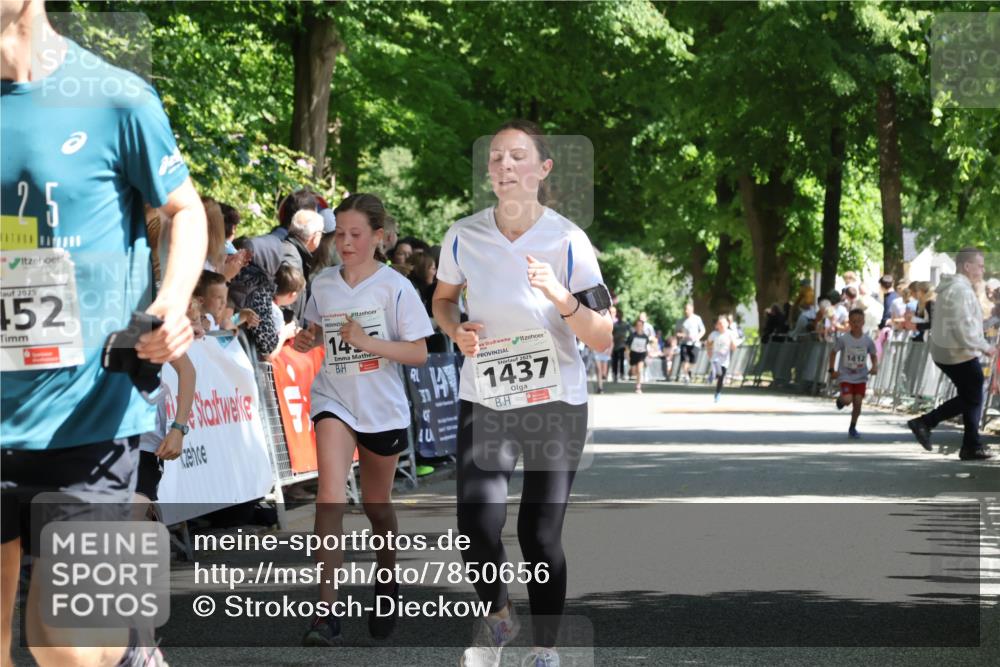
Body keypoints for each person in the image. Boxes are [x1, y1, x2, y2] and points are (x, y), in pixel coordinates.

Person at [1, 3, 207, 665]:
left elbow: (184, 208)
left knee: (67, 646)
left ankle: (131, 648)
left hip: (90, 421)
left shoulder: (115, 97)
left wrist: (172, 301)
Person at [432, 120, 612, 667]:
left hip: (555, 403)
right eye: (495, 159)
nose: (504, 167)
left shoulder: (568, 241)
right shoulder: (463, 235)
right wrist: (453, 328)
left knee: (539, 534)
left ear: (542, 170)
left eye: (517, 158)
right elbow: (443, 300)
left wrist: (560, 296)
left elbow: (603, 336)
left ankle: (544, 649)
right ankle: (500, 613)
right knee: (475, 526)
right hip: (486, 395)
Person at [293, 193, 433, 646]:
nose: (345, 243)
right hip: (335, 399)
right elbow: (318, 334)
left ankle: (387, 577)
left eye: (356, 235)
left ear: (379, 237)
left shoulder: (395, 287)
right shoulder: (325, 283)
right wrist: (308, 339)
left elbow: (418, 353)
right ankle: (326, 610)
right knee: (330, 496)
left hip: (381, 408)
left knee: (377, 506)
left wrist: (369, 342)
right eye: (340, 234)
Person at [907, 247, 997, 460]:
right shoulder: (961, 290)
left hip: (948, 349)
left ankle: (970, 444)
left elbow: (964, 323)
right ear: (967, 266)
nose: (983, 270)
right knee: (973, 395)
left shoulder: (953, 288)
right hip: (957, 351)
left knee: (972, 394)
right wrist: (984, 346)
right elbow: (961, 326)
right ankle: (926, 423)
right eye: (980, 266)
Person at [133, 352, 195, 518]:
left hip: (143, 442)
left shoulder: (152, 325)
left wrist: (179, 429)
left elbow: (186, 369)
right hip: (91, 441)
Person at [829, 309, 879, 439]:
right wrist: (832, 370)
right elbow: (833, 352)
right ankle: (841, 400)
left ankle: (853, 426)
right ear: (849, 322)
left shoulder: (867, 341)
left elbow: (873, 355)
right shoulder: (844, 339)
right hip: (845, 376)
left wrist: (874, 367)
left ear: (863, 322)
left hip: (860, 377)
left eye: (859, 321)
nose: (856, 324)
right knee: (847, 400)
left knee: (857, 402)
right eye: (854, 321)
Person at [267, 264, 305, 358]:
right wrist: (285, 332)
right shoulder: (276, 314)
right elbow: (269, 354)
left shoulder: (261, 296)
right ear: (293, 295)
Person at [707, 316, 737, 403]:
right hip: (716, 357)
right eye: (720, 323)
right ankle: (713, 374)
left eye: (724, 323)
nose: (722, 325)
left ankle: (717, 393)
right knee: (716, 366)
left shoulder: (730, 333)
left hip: (725, 359)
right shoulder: (714, 334)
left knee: (721, 377)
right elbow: (708, 343)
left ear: (727, 324)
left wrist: (734, 346)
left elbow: (734, 345)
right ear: (717, 326)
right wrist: (709, 351)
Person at [679, 303, 705, 382]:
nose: (686, 311)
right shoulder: (681, 320)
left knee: (693, 361)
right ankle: (686, 376)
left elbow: (703, 330)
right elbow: (677, 332)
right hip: (684, 343)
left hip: (695, 343)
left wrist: (697, 337)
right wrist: (682, 335)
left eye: (688, 309)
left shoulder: (697, 319)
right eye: (685, 309)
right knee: (685, 360)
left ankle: (688, 371)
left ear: (692, 310)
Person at [627, 318, 650, 394]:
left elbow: (646, 347)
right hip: (633, 354)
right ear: (635, 326)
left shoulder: (645, 337)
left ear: (643, 327)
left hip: (641, 355)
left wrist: (647, 355)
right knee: (634, 371)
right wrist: (627, 356)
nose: (639, 327)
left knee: (640, 370)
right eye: (637, 325)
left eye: (640, 325)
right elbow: (627, 347)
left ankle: (638, 387)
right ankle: (631, 371)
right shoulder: (632, 336)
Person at [610, 306, 630, 382]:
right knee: (615, 360)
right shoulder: (615, 325)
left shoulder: (625, 324)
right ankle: (615, 374)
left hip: (622, 345)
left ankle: (621, 374)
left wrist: (627, 341)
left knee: (621, 360)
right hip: (615, 345)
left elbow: (631, 332)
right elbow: (611, 333)